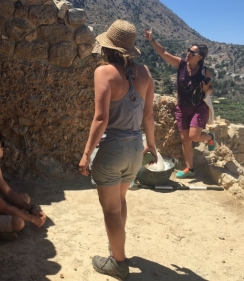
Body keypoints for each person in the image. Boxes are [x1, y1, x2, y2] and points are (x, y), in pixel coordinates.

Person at [78, 20, 157, 279]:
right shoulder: (145, 74)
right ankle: (117, 249)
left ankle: (118, 263)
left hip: (112, 150)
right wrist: (152, 146)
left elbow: (101, 119)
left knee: (110, 209)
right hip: (135, 149)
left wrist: (87, 153)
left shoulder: (104, 72)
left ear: (107, 46)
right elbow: (148, 117)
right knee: (121, 201)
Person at [144, 28, 216, 179]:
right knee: (185, 139)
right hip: (182, 108)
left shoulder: (204, 72)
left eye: (192, 52)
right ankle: (190, 168)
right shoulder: (181, 64)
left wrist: (205, 88)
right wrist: (152, 40)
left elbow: (209, 90)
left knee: (194, 136)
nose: (188, 53)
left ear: (200, 57)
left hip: (198, 108)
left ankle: (210, 137)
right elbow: (164, 54)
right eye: (189, 50)